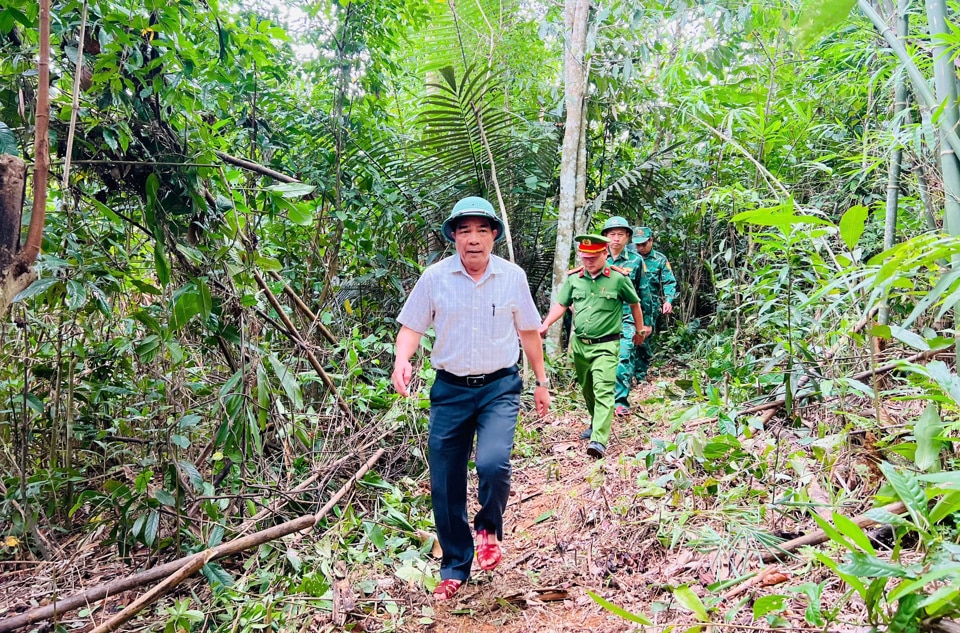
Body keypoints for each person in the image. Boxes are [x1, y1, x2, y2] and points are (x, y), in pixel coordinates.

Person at [392, 196, 551, 602]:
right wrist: (402, 360)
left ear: (494, 236)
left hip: (500, 387)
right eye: (465, 231)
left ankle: (487, 527)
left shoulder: (512, 277)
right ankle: (455, 566)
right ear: (454, 238)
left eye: (482, 230)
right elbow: (411, 326)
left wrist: (541, 380)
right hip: (450, 391)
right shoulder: (434, 278)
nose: (474, 240)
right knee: (444, 481)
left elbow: (530, 332)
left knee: (493, 463)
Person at [539, 234, 646, 459]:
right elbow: (561, 303)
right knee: (588, 389)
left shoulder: (618, 279)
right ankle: (596, 420)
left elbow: (635, 304)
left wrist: (640, 330)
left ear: (604, 254)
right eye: (585, 257)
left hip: (607, 345)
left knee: (603, 389)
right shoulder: (574, 278)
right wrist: (546, 323)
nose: (588, 261)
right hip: (580, 345)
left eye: (593, 257)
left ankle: (599, 439)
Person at [600, 217, 654, 418]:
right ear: (605, 236)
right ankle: (603, 401)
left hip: (628, 317)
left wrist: (646, 323)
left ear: (627, 237)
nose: (616, 239)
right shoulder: (598, 258)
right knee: (603, 361)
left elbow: (644, 292)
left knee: (624, 356)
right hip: (602, 318)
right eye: (612, 234)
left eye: (620, 234)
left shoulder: (635, 260)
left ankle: (620, 402)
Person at [632, 226, 678, 382]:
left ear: (651, 240)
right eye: (637, 244)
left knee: (643, 340)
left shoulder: (659, 259)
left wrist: (668, 301)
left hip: (649, 307)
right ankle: (627, 375)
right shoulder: (629, 257)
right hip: (628, 305)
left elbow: (669, 281)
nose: (640, 248)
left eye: (644, 244)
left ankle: (640, 375)